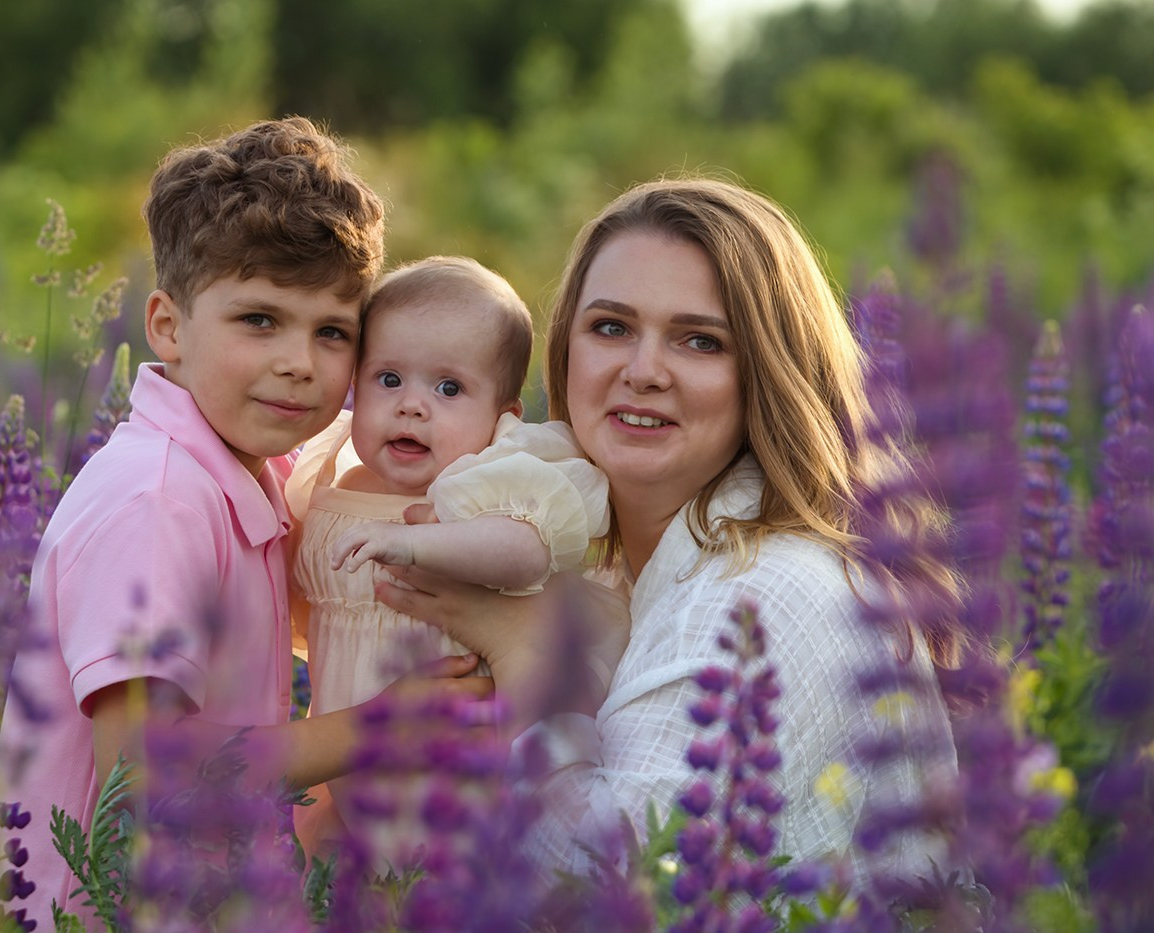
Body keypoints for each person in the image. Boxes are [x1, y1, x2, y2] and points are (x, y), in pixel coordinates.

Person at [374, 178, 963, 882]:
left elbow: (616, 883)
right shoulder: (623, 572)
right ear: (566, 350)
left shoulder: (765, 590)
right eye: (612, 327)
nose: (643, 371)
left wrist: (518, 647)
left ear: (768, 374)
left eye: (699, 340)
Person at [0, 118, 490, 925]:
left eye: (333, 332)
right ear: (167, 327)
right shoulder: (157, 500)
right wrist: (375, 727)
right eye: (260, 319)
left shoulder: (256, 469)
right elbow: (143, 775)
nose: (300, 361)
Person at [285, 255, 618, 865]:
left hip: (462, 769)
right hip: (348, 770)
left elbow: (524, 554)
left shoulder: (485, 482)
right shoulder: (328, 475)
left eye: (448, 388)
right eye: (389, 380)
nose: (413, 406)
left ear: (503, 418)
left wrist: (417, 545)